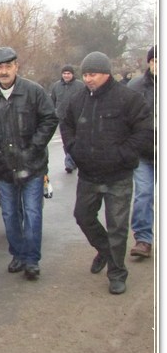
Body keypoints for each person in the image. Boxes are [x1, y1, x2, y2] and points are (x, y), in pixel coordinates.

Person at [62, 52, 153, 295]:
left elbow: (144, 130)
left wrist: (123, 154)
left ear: (106, 73)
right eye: (85, 75)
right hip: (89, 173)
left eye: (92, 74)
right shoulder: (78, 99)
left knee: (117, 227)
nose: (88, 79)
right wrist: (73, 149)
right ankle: (104, 250)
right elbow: (66, 124)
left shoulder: (127, 98)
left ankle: (117, 273)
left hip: (118, 175)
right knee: (83, 216)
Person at [0, 47, 58, 280]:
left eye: (8, 66)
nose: (4, 71)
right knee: (10, 214)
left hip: (32, 165)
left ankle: (31, 260)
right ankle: (18, 254)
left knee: (32, 213)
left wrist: (33, 148)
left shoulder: (33, 91)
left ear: (16, 67)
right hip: (4, 166)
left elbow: (49, 119)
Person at [127, 46, 156, 258]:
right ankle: (143, 239)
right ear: (149, 62)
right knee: (144, 194)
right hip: (144, 152)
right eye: (155, 60)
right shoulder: (136, 87)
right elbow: (125, 117)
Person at [50, 65, 85, 173]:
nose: (66, 75)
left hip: (77, 118)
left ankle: (76, 160)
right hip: (62, 118)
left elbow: (85, 99)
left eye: (68, 73)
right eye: (64, 73)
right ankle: (69, 162)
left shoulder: (80, 85)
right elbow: (52, 101)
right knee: (66, 141)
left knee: (78, 140)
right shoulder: (56, 86)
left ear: (72, 74)